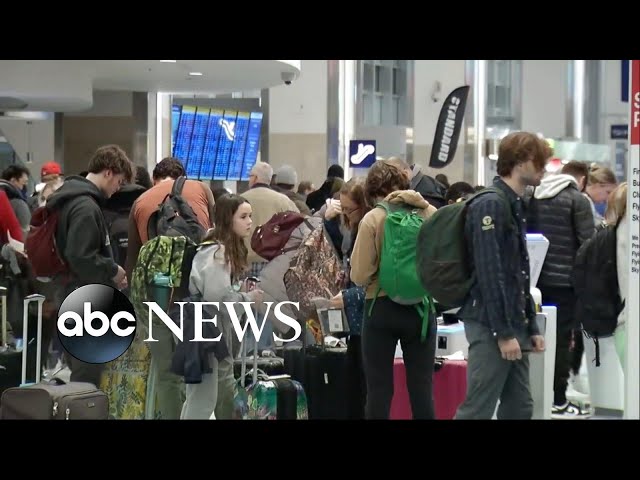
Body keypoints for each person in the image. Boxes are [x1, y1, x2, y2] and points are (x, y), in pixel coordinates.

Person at [455, 131, 550, 420]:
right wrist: (503, 333)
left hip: (511, 322)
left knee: (519, 407)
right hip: (490, 324)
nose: (544, 169)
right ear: (520, 162)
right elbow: (490, 273)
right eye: (539, 162)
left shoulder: (513, 203)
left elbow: (517, 273)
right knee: (477, 409)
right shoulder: (490, 205)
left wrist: (531, 326)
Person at [351, 161, 437, 419]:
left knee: (379, 390)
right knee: (422, 389)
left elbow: (359, 275)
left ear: (372, 190)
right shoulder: (430, 213)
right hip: (421, 309)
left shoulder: (373, 218)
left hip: (380, 308)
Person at [46, 144, 133, 387]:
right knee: (87, 377)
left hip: (72, 294)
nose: (118, 188)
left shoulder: (71, 199)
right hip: (84, 300)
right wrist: (112, 270)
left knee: (83, 370)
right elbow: (80, 255)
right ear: (108, 172)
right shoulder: (85, 206)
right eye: (119, 181)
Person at [183, 194, 264, 419]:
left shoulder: (216, 249)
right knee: (203, 398)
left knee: (202, 395)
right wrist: (248, 298)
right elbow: (218, 300)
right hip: (205, 331)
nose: (249, 222)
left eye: (250, 216)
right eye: (243, 217)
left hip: (204, 328)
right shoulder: (218, 253)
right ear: (228, 219)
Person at [526, 159, 595, 418]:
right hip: (565, 284)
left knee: (534, 337)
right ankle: (558, 399)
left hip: (534, 280)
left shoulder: (534, 196)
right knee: (561, 341)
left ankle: (535, 396)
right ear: (581, 180)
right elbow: (587, 244)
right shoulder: (577, 200)